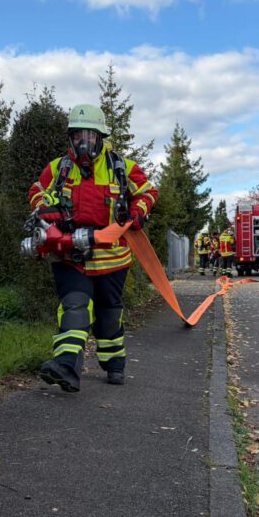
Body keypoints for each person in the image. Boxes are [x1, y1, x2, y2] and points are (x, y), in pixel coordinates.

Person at [28, 104, 157, 392]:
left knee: (109, 316)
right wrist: (45, 209)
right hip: (70, 256)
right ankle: (66, 367)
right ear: (70, 138)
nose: (82, 142)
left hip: (112, 258)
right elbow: (36, 190)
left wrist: (139, 212)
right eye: (77, 136)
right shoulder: (58, 168)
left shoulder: (122, 168)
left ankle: (114, 364)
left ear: (101, 137)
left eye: (88, 135)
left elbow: (148, 191)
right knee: (74, 307)